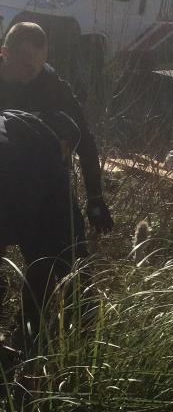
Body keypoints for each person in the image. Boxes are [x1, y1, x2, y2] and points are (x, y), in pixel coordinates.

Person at [0, 22, 113, 251]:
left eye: (36, 67)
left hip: (42, 178)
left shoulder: (52, 86)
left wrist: (95, 197)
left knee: (70, 249)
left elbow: (85, 140)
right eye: (23, 66)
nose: (29, 73)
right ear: (4, 53)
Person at [0, 110, 81, 358]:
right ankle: (26, 338)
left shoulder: (15, 125)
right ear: (64, 143)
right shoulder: (44, 148)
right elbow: (27, 212)